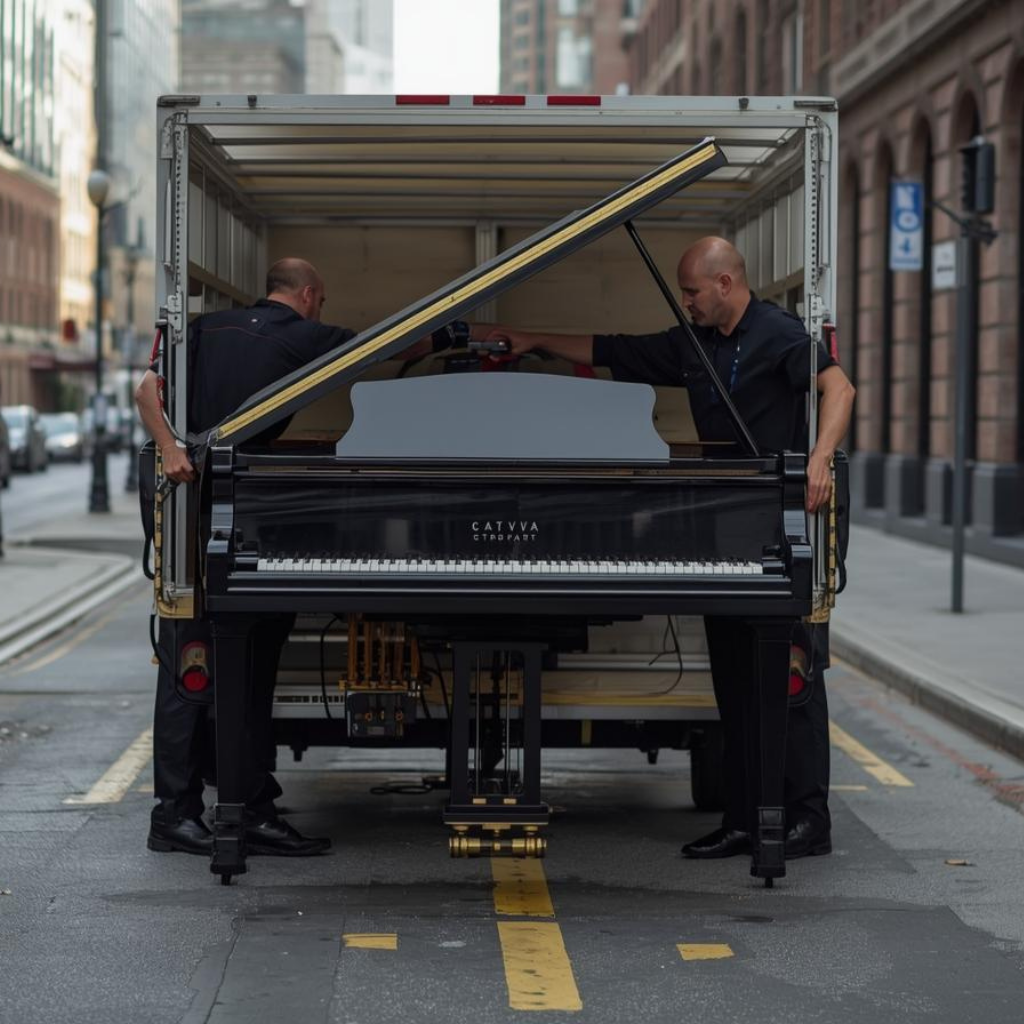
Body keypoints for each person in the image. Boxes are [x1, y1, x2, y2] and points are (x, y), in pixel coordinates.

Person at [485, 236, 855, 861]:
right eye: (683, 293)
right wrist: (530, 339)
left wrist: (819, 461)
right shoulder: (696, 344)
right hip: (722, 526)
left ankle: (806, 820)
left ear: (726, 285)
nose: (686, 302)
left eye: (692, 291)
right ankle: (745, 818)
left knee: (790, 679)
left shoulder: (779, 332)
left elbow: (839, 388)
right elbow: (612, 351)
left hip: (779, 521)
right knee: (734, 680)